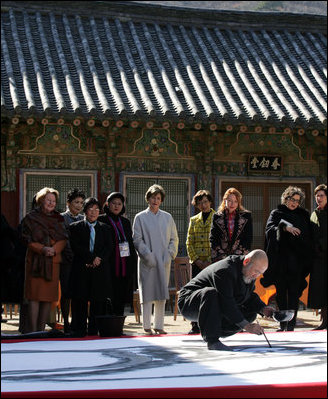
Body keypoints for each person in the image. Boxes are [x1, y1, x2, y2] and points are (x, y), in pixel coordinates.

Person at [178, 250, 274, 350]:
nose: (256, 276)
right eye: (256, 271)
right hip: (188, 302)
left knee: (250, 314)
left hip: (214, 306)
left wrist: (263, 309)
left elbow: (248, 296)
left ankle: (217, 330)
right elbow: (227, 303)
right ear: (246, 262)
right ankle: (212, 340)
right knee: (211, 293)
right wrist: (247, 326)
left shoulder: (248, 272)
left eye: (260, 273)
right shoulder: (225, 270)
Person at [261, 186, 312, 331]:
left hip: (296, 262)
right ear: (285, 198)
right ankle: (283, 323)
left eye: (297, 200)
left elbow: (308, 237)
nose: (294, 203)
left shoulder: (303, 215)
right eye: (291, 199)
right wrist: (284, 228)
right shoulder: (276, 213)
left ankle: (291, 324)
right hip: (280, 261)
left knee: (294, 294)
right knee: (281, 293)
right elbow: (269, 231)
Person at [133, 184, 179, 335]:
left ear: (161, 200)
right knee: (147, 293)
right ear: (148, 198)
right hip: (147, 261)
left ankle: (159, 325)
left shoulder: (168, 217)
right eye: (153, 197)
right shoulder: (140, 217)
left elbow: (174, 238)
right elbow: (137, 240)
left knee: (161, 292)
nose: (155, 200)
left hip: (163, 260)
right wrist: (147, 255)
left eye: (158, 198)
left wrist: (169, 254)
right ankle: (146, 325)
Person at [21, 187, 68, 332]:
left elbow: (64, 238)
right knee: (34, 297)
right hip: (36, 261)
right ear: (41, 200)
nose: (51, 203)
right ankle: (33, 330)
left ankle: (41, 330)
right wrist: (42, 249)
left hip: (53, 261)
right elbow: (26, 239)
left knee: (48, 297)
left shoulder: (59, 218)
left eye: (54, 201)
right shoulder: (30, 218)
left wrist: (54, 249)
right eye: (48, 200)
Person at [69, 197, 114, 337]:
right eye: (90, 209)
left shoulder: (105, 228)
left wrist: (99, 259)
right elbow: (76, 247)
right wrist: (90, 258)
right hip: (81, 269)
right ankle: (79, 329)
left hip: (99, 270)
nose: (93, 212)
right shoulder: (75, 227)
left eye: (96, 209)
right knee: (80, 301)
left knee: (98, 301)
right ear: (85, 211)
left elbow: (109, 247)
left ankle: (94, 330)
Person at [98, 192, 137, 316]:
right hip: (108, 264)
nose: (116, 206)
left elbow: (130, 243)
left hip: (124, 264)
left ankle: (118, 325)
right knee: (108, 296)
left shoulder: (125, 222)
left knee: (121, 295)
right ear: (107, 204)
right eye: (113, 203)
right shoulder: (101, 220)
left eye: (119, 204)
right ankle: (107, 325)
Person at [186, 190, 216, 334]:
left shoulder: (217, 217)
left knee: (213, 293)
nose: (203, 205)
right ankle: (195, 324)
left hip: (213, 264)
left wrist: (210, 261)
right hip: (197, 264)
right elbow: (189, 243)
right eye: (199, 203)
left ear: (210, 202)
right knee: (196, 293)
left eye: (205, 202)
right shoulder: (193, 220)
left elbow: (219, 242)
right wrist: (197, 260)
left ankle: (211, 324)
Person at [60, 188, 86, 333]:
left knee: (79, 291)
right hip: (66, 260)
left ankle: (78, 321)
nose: (79, 205)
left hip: (81, 261)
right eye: (76, 202)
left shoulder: (84, 219)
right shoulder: (61, 218)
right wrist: (71, 253)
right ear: (68, 203)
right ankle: (65, 322)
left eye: (81, 203)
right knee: (66, 292)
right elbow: (63, 238)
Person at [210, 187, 253, 263]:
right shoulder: (217, 217)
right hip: (220, 257)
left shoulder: (246, 216)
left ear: (238, 202)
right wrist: (221, 255)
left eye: (235, 201)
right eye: (229, 201)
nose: (232, 204)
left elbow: (248, 238)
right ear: (224, 200)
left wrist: (237, 255)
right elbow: (213, 238)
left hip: (240, 256)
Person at [308, 184, 327, 330]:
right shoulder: (314, 214)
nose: (318, 198)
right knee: (320, 290)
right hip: (317, 258)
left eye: (321, 195)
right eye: (317, 196)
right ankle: (323, 321)